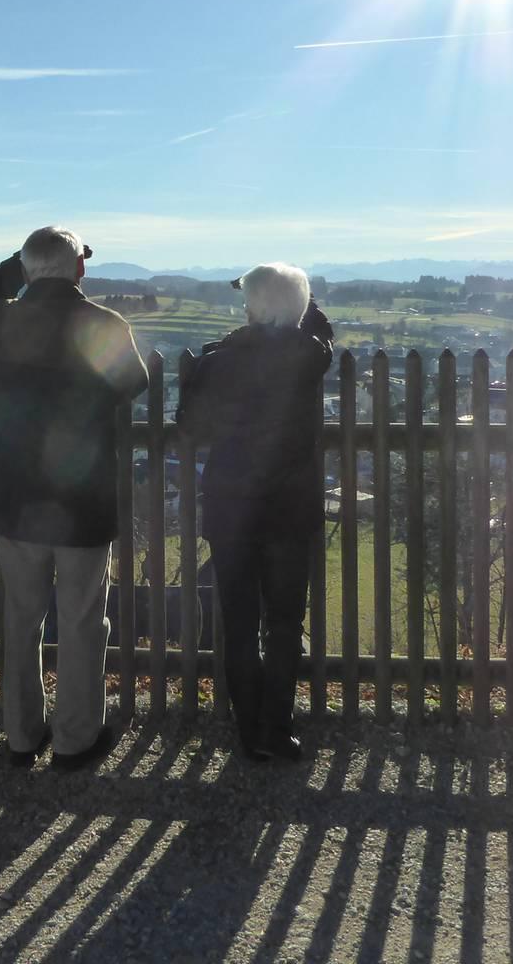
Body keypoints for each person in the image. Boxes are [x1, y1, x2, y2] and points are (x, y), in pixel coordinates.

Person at [0, 227, 148, 768]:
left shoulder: (1, 321)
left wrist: (19, 268)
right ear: (81, 270)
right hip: (82, 498)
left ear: (25, 269)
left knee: (20, 620)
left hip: (16, 495)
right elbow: (132, 383)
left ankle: (21, 735)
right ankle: (74, 738)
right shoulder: (102, 325)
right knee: (83, 619)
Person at [176, 263, 332, 762]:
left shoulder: (219, 361)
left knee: (239, 621)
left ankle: (250, 732)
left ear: (252, 306)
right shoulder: (309, 355)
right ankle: (277, 727)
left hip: (231, 506)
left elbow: (191, 428)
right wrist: (294, 301)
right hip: (290, 508)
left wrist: (213, 355)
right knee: (285, 623)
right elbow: (318, 327)